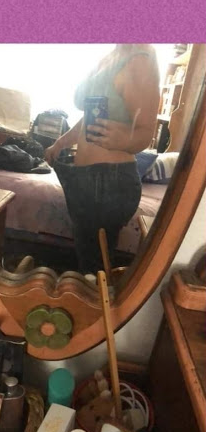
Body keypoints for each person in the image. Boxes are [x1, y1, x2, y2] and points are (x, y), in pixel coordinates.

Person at [44, 44, 160, 275]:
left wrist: (123, 139)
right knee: (89, 260)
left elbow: (146, 133)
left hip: (109, 182)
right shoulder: (111, 56)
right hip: (86, 180)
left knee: (93, 266)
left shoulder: (139, 60)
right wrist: (61, 143)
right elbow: (90, 119)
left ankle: (99, 298)